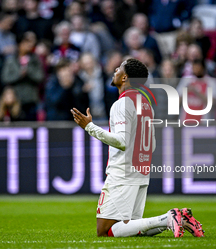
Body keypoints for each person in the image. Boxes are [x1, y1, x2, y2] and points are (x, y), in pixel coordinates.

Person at [71, 58, 205, 238]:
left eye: (118, 68)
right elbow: (153, 143)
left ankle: (168, 218)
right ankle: (180, 219)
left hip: (122, 172)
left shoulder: (122, 103)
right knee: (132, 229)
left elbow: (121, 141)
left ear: (124, 77)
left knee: (104, 230)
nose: (115, 70)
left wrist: (89, 127)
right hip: (141, 172)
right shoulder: (145, 103)